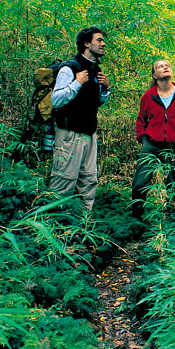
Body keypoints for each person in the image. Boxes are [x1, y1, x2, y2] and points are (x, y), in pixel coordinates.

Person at [49, 26, 111, 211]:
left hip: (89, 134)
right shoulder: (70, 68)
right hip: (69, 134)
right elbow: (56, 100)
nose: (103, 44)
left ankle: (82, 226)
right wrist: (77, 83)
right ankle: (53, 224)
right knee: (64, 181)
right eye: (99, 40)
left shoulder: (95, 69)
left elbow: (95, 102)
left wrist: (105, 88)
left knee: (89, 181)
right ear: (86, 43)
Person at [131, 59, 175, 219]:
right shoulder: (148, 96)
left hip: (174, 146)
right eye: (160, 66)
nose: (165, 67)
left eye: (167, 65)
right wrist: (143, 137)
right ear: (155, 75)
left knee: (174, 185)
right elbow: (141, 120)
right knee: (140, 183)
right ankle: (136, 220)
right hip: (151, 145)